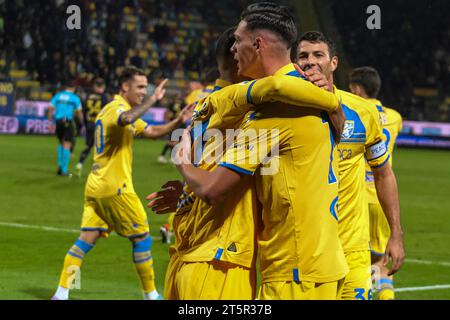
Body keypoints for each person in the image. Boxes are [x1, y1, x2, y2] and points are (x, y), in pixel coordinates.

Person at [168, 2, 349, 300]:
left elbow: (214, 190)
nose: (234, 48)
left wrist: (181, 159)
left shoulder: (272, 112)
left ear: (258, 44)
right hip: (324, 263)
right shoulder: (312, 94)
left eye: (238, 40)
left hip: (294, 271)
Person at [51, 66, 194, 300]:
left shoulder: (119, 110)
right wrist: (153, 99)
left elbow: (153, 131)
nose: (143, 92)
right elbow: (127, 117)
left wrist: (179, 119)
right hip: (115, 187)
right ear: (124, 86)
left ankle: (61, 293)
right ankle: (151, 296)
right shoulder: (118, 109)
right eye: (139, 87)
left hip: (96, 185)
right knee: (141, 238)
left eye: (145, 87)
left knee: (86, 239)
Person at [294, 31, 405, 300]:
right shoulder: (284, 110)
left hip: (353, 248)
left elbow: (383, 173)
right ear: (294, 65)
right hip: (306, 250)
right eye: (303, 56)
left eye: (318, 55)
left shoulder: (363, 112)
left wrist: (396, 234)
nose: (310, 61)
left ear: (333, 63)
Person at [349, 66, 403, 300]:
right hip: (382, 197)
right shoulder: (395, 117)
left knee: (354, 260)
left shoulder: (355, 110)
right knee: (381, 262)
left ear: (357, 90)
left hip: (356, 195)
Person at [48, 82, 83, 177]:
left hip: (58, 122)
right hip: (68, 121)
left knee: (61, 143)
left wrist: (50, 122)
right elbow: (79, 112)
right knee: (67, 144)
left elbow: (51, 108)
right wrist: (81, 122)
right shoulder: (74, 98)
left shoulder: (58, 96)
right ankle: (64, 170)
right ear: (74, 88)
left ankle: (60, 167)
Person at [75, 77, 108, 176]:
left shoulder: (88, 96)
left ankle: (80, 163)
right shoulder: (104, 97)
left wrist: (85, 124)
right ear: (103, 86)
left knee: (88, 146)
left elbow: (84, 111)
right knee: (100, 149)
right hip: (99, 126)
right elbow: (106, 112)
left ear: (94, 86)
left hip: (89, 124)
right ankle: (97, 169)